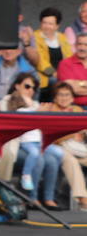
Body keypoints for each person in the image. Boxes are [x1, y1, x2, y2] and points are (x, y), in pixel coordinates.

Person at [0, 72, 53, 208]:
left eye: (33, 88)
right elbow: (11, 123)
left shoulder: (35, 103)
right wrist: (37, 114)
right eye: (27, 86)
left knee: (55, 158)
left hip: (36, 139)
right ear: (17, 86)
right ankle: (31, 197)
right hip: (16, 142)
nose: (30, 91)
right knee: (39, 158)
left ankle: (49, 197)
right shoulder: (7, 100)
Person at [42, 82, 87, 210]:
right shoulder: (50, 110)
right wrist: (73, 133)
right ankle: (82, 197)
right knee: (70, 161)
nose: (64, 98)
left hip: (79, 148)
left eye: (67, 95)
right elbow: (51, 134)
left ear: (72, 98)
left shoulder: (78, 110)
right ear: (55, 97)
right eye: (60, 95)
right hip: (58, 147)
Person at [23, 7, 70, 99]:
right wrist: (53, 73)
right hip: (44, 75)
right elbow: (40, 61)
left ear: (57, 26)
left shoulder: (62, 37)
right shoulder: (35, 37)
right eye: (44, 23)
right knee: (56, 82)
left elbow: (69, 56)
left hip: (62, 74)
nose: (47, 26)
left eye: (51, 24)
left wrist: (66, 72)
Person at [54, 32, 87, 105]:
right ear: (75, 45)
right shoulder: (65, 64)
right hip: (75, 107)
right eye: (79, 44)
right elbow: (70, 89)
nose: (82, 48)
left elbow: (76, 87)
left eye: (86, 45)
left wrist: (79, 83)